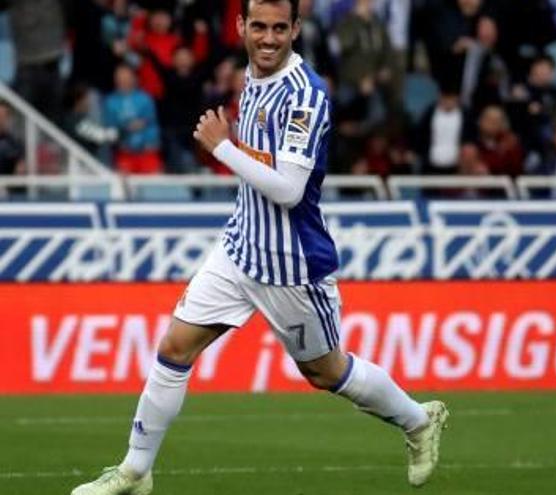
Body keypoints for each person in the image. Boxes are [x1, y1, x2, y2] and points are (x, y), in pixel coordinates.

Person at [70, 1, 448, 494]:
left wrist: (222, 147)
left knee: (325, 370)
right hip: (240, 246)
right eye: (259, 27)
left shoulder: (306, 95)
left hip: (291, 264)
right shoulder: (251, 75)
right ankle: (135, 472)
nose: (268, 39)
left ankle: (418, 420)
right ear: (240, 26)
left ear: (295, 29)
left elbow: (289, 190)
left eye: (278, 29)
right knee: (174, 347)